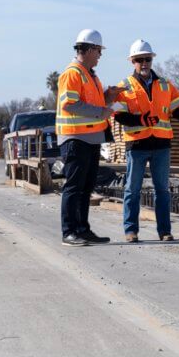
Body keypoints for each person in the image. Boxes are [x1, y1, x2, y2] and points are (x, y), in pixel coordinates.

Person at [113, 39, 179, 242]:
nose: (144, 63)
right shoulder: (124, 86)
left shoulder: (165, 85)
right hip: (137, 145)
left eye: (147, 59)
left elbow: (177, 108)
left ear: (152, 60)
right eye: (140, 60)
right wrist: (140, 119)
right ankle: (130, 231)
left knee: (162, 190)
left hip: (161, 144)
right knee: (132, 189)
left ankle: (164, 231)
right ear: (132, 61)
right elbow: (118, 115)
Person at [56, 29, 124, 247]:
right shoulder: (73, 73)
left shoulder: (90, 74)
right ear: (86, 49)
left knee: (86, 187)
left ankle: (82, 229)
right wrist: (100, 112)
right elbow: (70, 103)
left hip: (90, 138)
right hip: (76, 139)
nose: (100, 55)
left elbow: (91, 102)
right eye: (98, 50)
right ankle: (69, 232)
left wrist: (107, 97)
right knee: (74, 187)